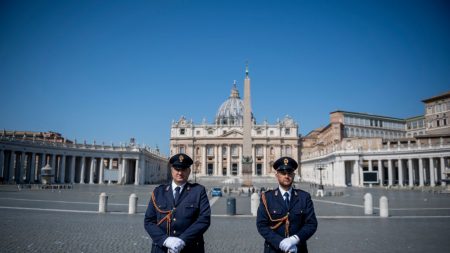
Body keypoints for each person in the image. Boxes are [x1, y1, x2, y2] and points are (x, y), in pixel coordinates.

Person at [144, 153, 211, 253]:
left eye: (183, 169)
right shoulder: (158, 192)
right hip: (162, 249)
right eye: (177, 169)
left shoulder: (198, 191)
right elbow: (149, 221)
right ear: (171, 170)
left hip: (191, 248)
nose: (180, 173)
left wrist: (182, 240)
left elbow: (204, 220)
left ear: (189, 171)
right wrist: (166, 240)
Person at [256, 157, 318, 253]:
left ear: (293, 175)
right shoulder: (267, 198)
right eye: (283, 173)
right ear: (277, 175)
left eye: (289, 173)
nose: (286, 176)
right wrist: (280, 242)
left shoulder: (304, 197)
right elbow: (262, 225)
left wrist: (295, 239)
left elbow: (311, 224)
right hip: (273, 249)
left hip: (298, 249)